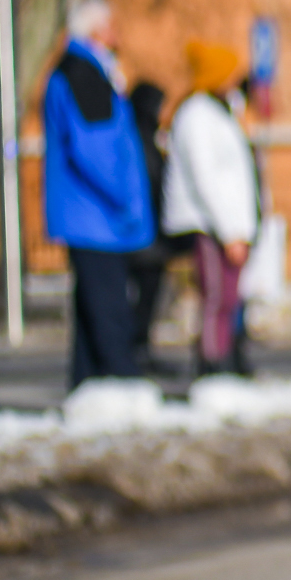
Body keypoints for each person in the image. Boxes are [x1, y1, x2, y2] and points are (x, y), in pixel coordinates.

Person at [43, 0, 154, 388]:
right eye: (112, 26)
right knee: (108, 310)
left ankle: (88, 387)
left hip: (90, 215)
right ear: (94, 31)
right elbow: (96, 148)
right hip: (96, 217)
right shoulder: (83, 74)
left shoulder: (82, 71)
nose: (117, 34)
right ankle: (120, 383)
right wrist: (127, 197)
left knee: (91, 311)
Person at [160, 41, 261, 376]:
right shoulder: (196, 115)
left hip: (229, 224)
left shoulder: (221, 111)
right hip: (210, 223)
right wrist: (229, 230)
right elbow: (206, 178)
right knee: (216, 297)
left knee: (230, 298)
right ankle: (212, 363)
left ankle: (227, 357)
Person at [126, 80, 172, 373]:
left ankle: (141, 346)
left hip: (152, 234)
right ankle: (135, 349)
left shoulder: (152, 138)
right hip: (141, 233)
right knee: (140, 296)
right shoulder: (137, 139)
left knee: (150, 295)